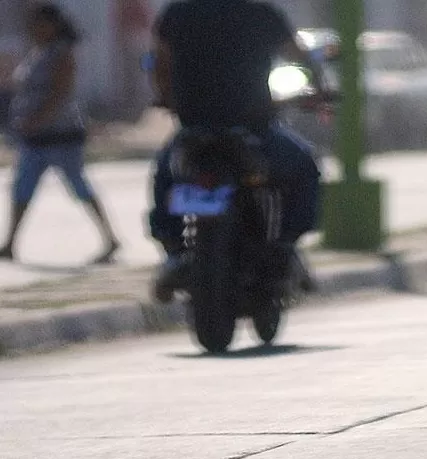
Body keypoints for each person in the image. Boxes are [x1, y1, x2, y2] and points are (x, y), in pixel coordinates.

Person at [148, 0, 325, 301]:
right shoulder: (262, 14)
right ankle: (286, 247)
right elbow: (298, 56)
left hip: (195, 131)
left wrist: (166, 97)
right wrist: (318, 85)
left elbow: (158, 63)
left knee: (166, 175)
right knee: (305, 167)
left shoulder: (177, 14)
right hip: (253, 129)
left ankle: (174, 253)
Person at [0, 3, 120, 263]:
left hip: (61, 136)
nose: (35, 30)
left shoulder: (62, 53)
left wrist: (36, 120)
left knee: (79, 187)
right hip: (35, 138)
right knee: (22, 188)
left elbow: (60, 93)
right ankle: (10, 243)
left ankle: (110, 239)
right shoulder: (37, 53)